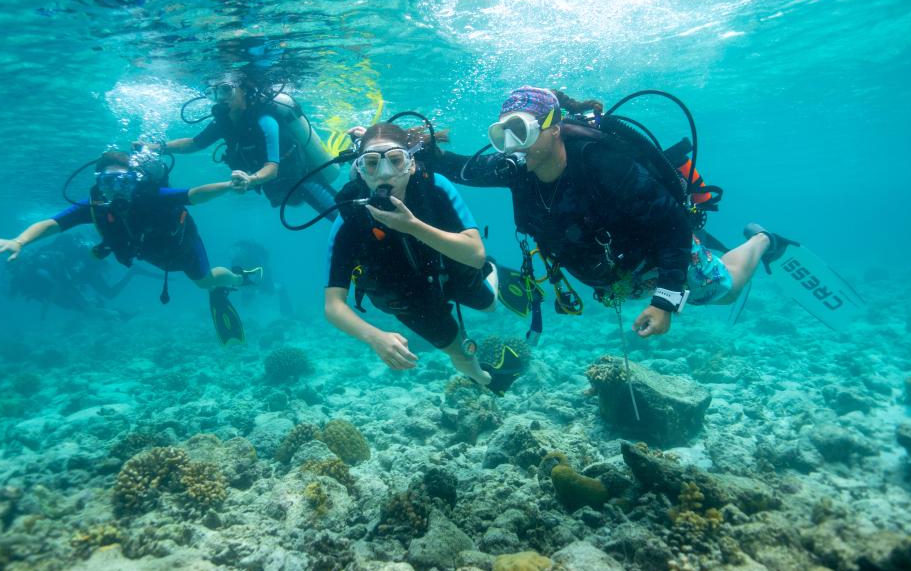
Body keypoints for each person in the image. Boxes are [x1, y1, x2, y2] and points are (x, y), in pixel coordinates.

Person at [428, 86, 788, 338]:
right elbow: (457, 168)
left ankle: (762, 240)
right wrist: (409, 148)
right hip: (616, 277)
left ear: (554, 128)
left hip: (657, 258)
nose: (512, 147)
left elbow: (673, 227)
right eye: (502, 135)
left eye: (520, 131)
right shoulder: (515, 168)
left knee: (724, 290)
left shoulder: (604, 163)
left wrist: (665, 301)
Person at [0, 150, 259, 343]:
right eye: (108, 182)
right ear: (99, 183)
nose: (116, 189)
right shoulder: (95, 207)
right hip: (153, 255)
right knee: (203, 283)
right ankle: (225, 284)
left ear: (133, 181)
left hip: (183, 246)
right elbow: (54, 223)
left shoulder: (151, 195)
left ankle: (239, 278)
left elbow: (193, 195)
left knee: (205, 282)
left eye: (123, 181)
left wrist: (228, 185)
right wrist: (19, 241)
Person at [323, 123, 519, 391]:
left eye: (395, 160)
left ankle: (494, 270)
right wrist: (375, 337)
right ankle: (487, 380)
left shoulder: (434, 187)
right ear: (360, 170)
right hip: (406, 296)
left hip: (450, 265)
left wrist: (412, 226)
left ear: (411, 164)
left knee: (489, 305)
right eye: (372, 163)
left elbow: (474, 256)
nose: (385, 173)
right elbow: (333, 305)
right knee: (460, 354)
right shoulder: (350, 219)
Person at [152, 78, 339, 220]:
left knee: (346, 217)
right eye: (212, 93)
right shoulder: (224, 123)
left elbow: (272, 168)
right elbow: (194, 143)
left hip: (302, 181)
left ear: (243, 90)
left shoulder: (265, 121)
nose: (220, 98)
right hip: (275, 190)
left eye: (226, 90)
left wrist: (251, 179)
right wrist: (157, 148)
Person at [5, 234, 142, 320]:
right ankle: (120, 315)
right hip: (67, 287)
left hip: (69, 286)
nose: (15, 270)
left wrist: (45, 308)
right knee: (90, 309)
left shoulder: (37, 269)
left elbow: (58, 283)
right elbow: (14, 294)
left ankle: (121, 315)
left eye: (15, 266)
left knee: (91, 309)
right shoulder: (24, 276)